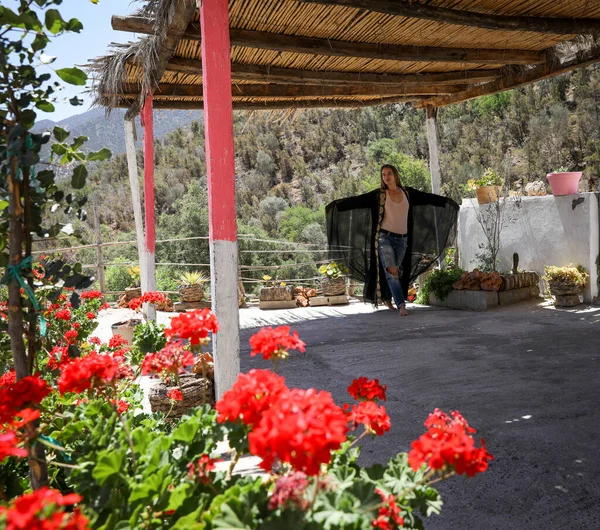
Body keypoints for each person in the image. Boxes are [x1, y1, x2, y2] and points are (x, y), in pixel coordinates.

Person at [325, 164, 459, 316]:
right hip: (384, 238)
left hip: (403, 239)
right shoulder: (379, 195)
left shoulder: (408, 193)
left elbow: (427, 198)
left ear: (395, 175)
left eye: (389, 173)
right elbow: (358, 201)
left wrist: (446, 202)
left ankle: (388, 298)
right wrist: (337, 206)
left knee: (396, 272)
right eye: (383, 174)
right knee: (392, 270)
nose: (386, 177)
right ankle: (401, 305)